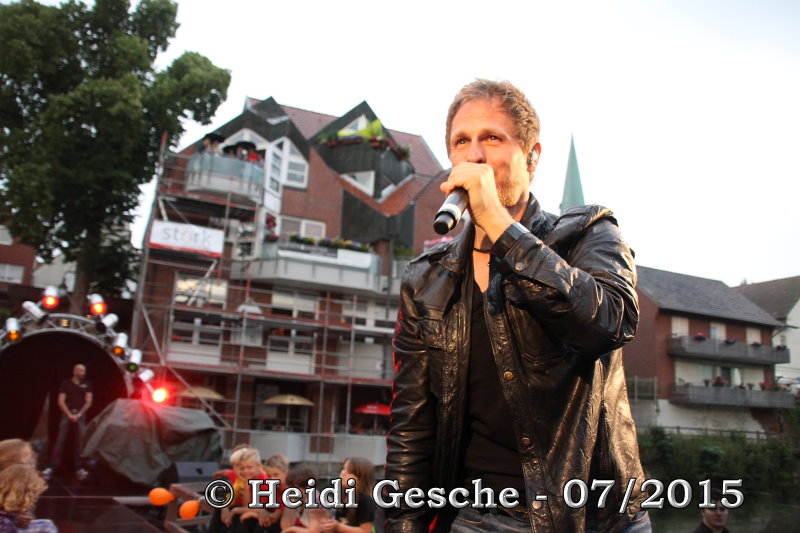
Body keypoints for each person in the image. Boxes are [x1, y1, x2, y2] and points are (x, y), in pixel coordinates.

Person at [385, 79, 648, 533]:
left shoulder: (588, 234)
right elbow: (411, 427)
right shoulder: (425, 280)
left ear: (532, 157)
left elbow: (609, 322)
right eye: (461, 141)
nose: (475, 154)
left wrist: (500, 225)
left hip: (593, 517)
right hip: (478, 517)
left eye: (492, 137)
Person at [44, 364, 92, 480]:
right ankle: (51, 468)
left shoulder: (87, 384)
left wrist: (78, 415)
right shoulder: (66, 383)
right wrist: (69, 415)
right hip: (67, 414)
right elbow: (61, 401)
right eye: (81, 371)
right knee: (60, 441)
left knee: (80, 442)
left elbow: (88, 402)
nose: (83, 373)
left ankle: (79, 469)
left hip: (80, 415)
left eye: (84, 371)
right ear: (75, 371)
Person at [320, 457, 375, 533]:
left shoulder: (365, 500)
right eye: (343, 469)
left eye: (349, 472)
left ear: (360, 477)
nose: (343, 473)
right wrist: (327, 520)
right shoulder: (343, 497)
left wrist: (338, 527)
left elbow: (365, 530)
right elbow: (341, 523)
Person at [0, 464, 57, 533]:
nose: (33, 500)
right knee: (47, 527)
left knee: (47, 525)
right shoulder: (5, 523)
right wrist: (14, 518)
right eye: (32, 496)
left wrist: (15, 517)